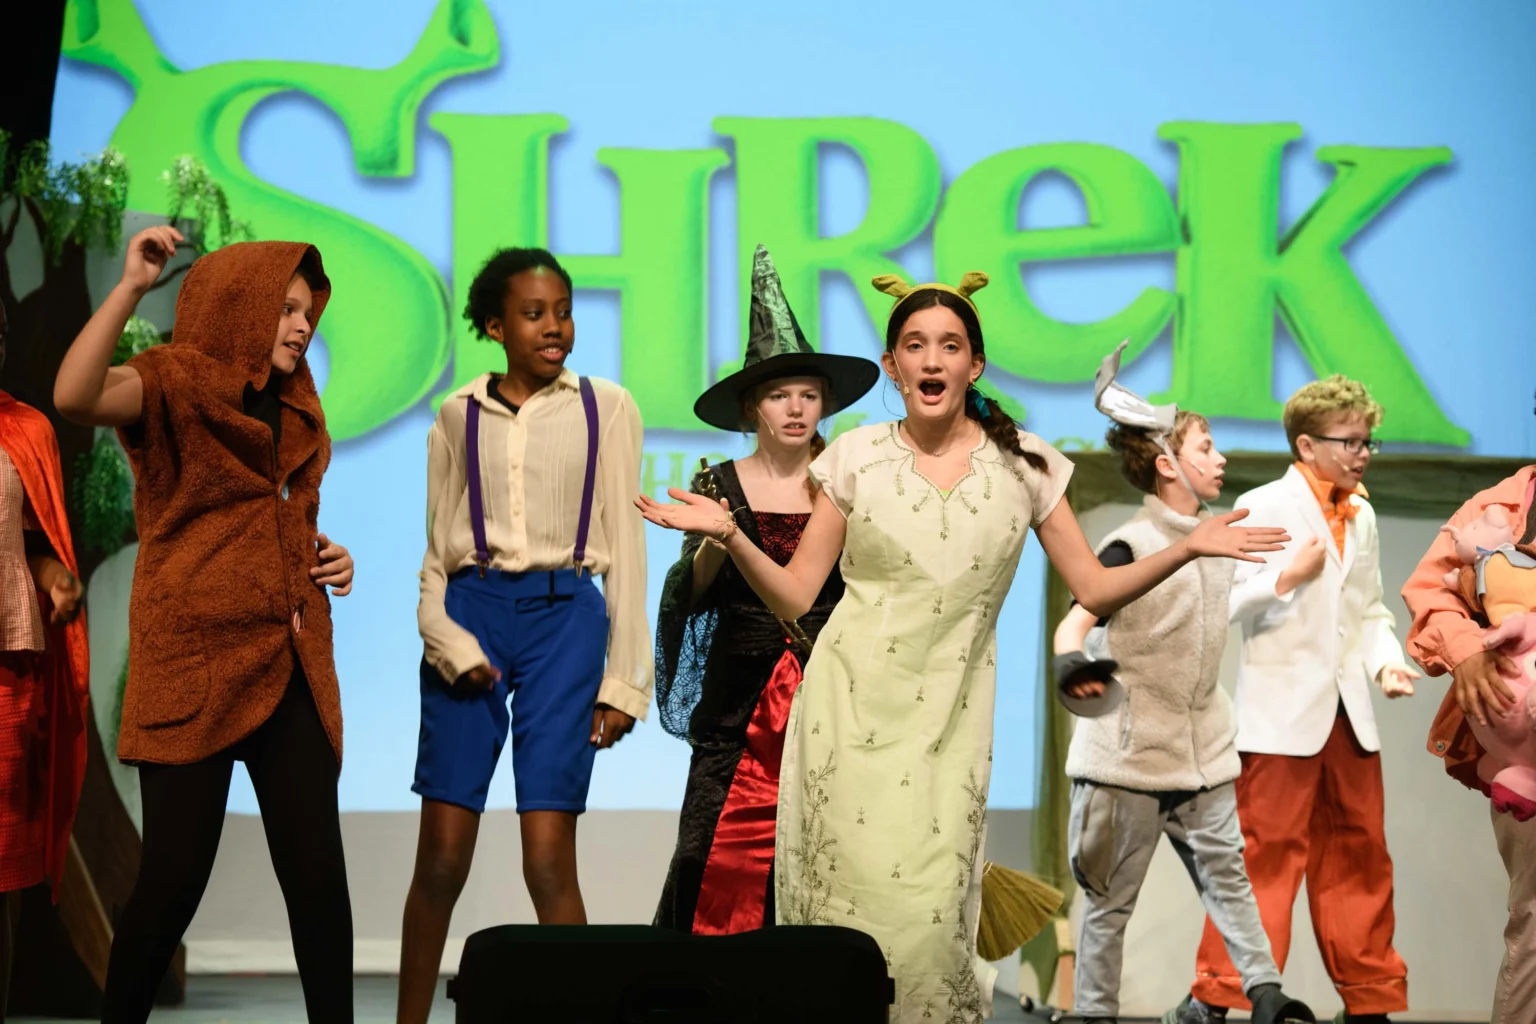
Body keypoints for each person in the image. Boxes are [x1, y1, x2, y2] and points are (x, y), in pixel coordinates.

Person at [637, 270, 1288, 1024]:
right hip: (842, 724)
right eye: (914, 345)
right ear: (893, 366)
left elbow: (1094, 588)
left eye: (950, 345)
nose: (932, 358)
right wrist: (728, 533)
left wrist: (1189, 546)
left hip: (948, 734)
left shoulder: (1028, 464)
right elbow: (794, 596)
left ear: (974, 366)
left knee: (927, 931)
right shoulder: (853, 457)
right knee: (843, 932)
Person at [53, 226, 357, 1024]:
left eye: (308, 312)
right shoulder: (174, 380)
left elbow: (282, 516)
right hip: (194, 663)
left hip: (287, 657)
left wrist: (328, 556)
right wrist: (130, 287)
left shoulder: (299, 400)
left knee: (319, 880)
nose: (302, 325)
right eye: (285, 309)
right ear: (240, 305)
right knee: (172, 881)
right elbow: (74, 396)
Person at [398, 248, 649, 1023]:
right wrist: (450, 643)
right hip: (472, 612)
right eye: (534, 314)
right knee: (442, 859)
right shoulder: (456, 414)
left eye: (563, 311)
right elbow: (435, 556)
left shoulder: (607, 407)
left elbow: (627, 549)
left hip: (565, 617)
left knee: (547, 860)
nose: (554, 327)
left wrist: (624, 682)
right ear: (494, 326)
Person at [1050, 349, 1311, 1024]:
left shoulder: (1216, 539)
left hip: (1202, 752)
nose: (1220, 459)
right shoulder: (1131, 546)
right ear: (1168, 463)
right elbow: (1075, 621)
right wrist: (1072, 665)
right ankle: (1094, 1014)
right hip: (1128, 760)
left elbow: (1212, 613)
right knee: (1109, 902)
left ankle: (1266, 994)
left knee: (1231, 883)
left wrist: (1284, 578)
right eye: (1206, 446)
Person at [653, 245, 878, 934]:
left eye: (808, 395)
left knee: (823, 856)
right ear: (753, 405)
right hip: (739, 693)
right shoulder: (719, 481)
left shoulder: (846, 480)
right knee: (706, 851)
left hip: (829, 688)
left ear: (825, 403)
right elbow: (692, 593)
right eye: (781, 395)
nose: (796, 408)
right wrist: (716, 539)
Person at [1182, 377, 1418, 1024]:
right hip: (1279, 719)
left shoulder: (1362, 513)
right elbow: (1220, 603)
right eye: (1351, 442)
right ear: (1307, 445)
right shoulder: (1262, 504)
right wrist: (1284, 578)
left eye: (1368, 442)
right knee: (1262, 857)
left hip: (1349, 718)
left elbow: (1368, 611)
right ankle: (1219, 994)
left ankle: (1369, 1000)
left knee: (1360, 856)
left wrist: (1386, 663)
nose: (1363, 453)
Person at [1401, 420, 1536, 1024]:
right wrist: (1465, 649)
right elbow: (1430, 589)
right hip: (1526, 756)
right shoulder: (1498, 505)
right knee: (1535, 923)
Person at [0, 296, 88, 1017]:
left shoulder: (26, 429)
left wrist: (57, 576)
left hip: (9, 669)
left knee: (2, 871)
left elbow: (32, 543)